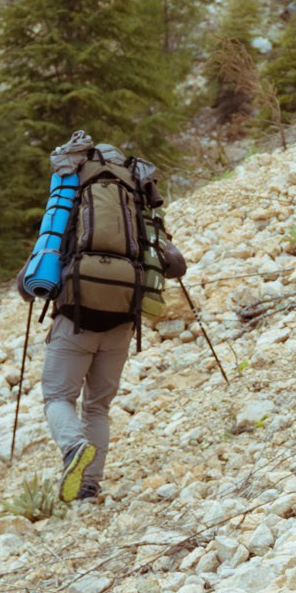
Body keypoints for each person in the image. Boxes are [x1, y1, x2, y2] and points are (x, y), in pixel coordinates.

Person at [33, 135, 187, 505]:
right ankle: (89, 486)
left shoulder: (71, 200)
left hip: (76, 316)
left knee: (58, 396)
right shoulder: (137, 201)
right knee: (97, 406)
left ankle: (72, 448)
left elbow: (34, 279)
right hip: (121, 318)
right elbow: (175, 265)